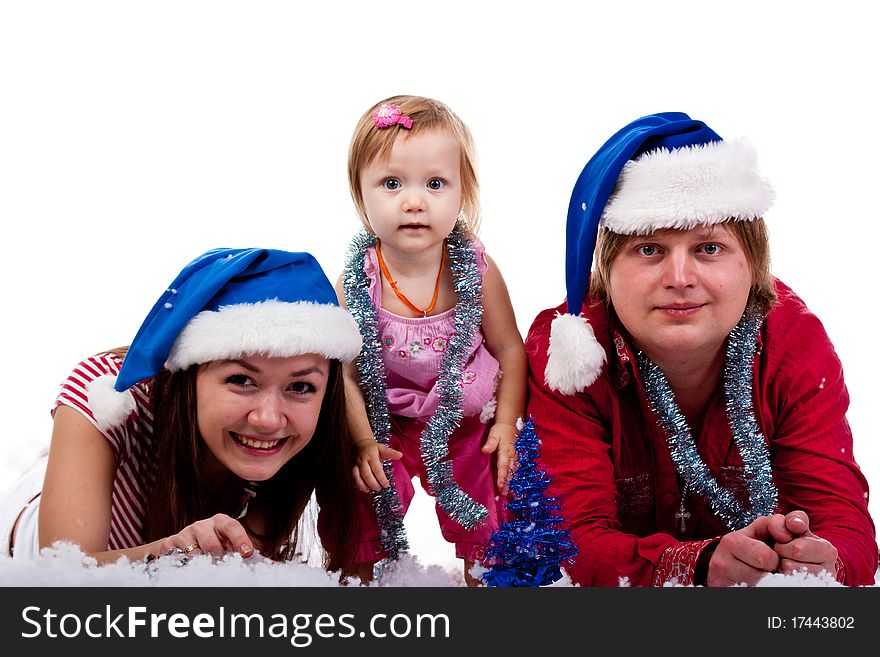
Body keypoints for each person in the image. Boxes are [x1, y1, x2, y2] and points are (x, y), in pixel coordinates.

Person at [525, 112, 877, 587]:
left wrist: (818, 562)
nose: (680, 278)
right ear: (605, 270)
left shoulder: (794, 344)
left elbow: (845, 523)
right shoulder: (570, 353)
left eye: (709, 248)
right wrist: (700, 565)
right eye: (649, 249)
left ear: (753, 267)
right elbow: (571, 540)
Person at [0, 247, 364, 575]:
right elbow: (61, 576)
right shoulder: (105, 394)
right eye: (241, 380)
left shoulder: (316, 427)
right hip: (33, 544)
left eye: (299, 386)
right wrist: (174, 554)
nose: (269, 419)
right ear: (190, 374)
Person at [337, 95, 527, 586]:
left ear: (463, 194)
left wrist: (505, 421)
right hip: (386, 422)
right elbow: (344, 374)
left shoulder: (477, 271)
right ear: (361, 197)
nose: (414, 201)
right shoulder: (356, 280)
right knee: (361, 492)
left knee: (490, 488)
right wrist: (361, 440)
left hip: (464, 418)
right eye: (392, 183)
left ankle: (485, 578)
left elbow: (509, 349)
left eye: (436, 183)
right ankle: (354, 579)